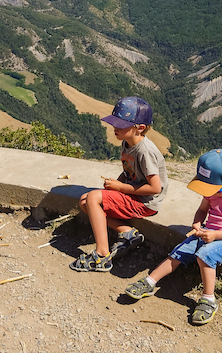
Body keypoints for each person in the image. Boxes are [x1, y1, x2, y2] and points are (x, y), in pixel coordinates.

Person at [123, 148, 222, 325]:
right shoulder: (213, 191)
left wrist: (214, 235)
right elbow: (202, 210)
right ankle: (150, 281)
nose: (210, 193)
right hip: (207, 231)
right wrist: (198, 223)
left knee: (205, 255)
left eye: (215, 189)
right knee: (179, 251)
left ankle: (209, 299)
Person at [70, 96, 167, 272]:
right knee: (85, 202)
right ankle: (127, 232)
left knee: (92, 198)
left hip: (145, 202)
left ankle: (102, 256)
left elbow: (155, 188)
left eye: (121, 125)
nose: (115, 127)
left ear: (140, 128)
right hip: (133, 194)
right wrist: (118, 182)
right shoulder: (127, 142)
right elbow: (129, 170)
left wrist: (120, 188)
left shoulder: (145, 152)